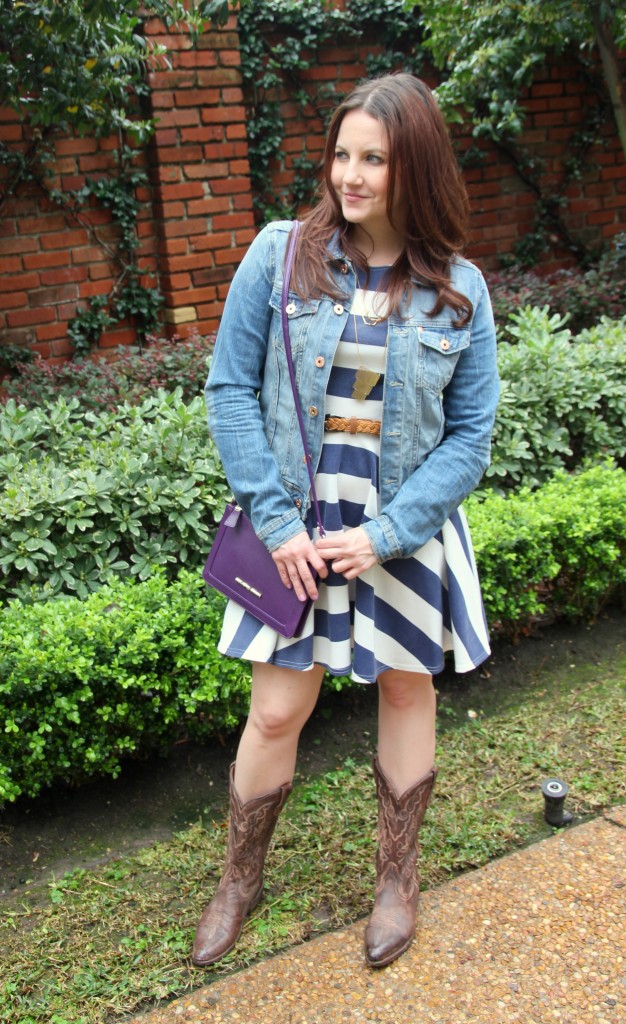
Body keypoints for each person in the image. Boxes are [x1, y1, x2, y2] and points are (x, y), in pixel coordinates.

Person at [193, 72, 499, 970]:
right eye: (342, 154)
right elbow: (228, 391)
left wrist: (389, 532)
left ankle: (397, 879)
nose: (351, 176)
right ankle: (240, 878)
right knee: (279, 707)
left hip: (398, 530)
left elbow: (471, 435)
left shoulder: (461, 291)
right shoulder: (282, 255)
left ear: (420, 169)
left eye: (376, 159)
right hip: (299, 532)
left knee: (408, 688)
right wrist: (279, 523)